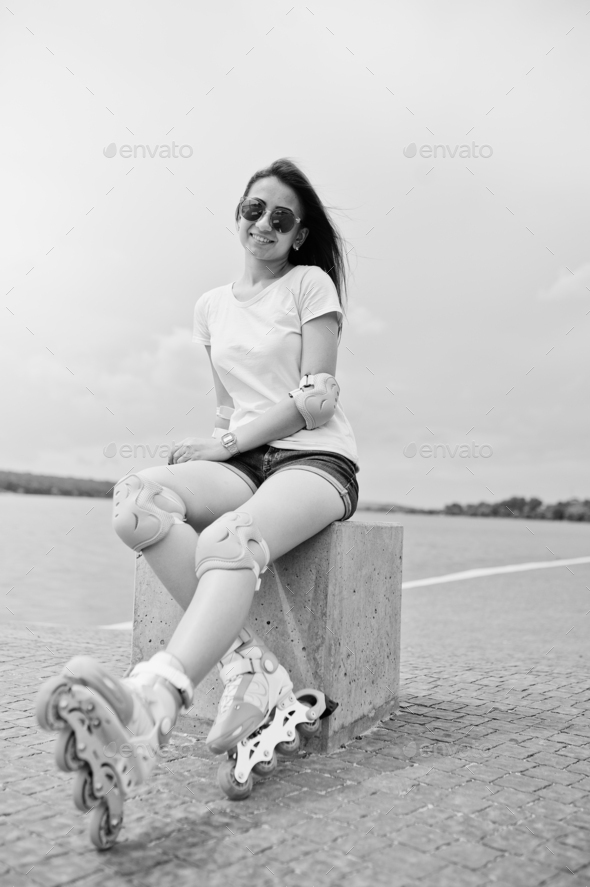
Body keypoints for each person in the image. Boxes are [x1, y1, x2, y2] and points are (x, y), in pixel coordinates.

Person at [35, 157, 360, 849]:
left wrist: (232, 440)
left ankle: (156, 702)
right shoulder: (210, 306)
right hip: (243, 459)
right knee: (136, 503)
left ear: (300, 233)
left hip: (315, 458)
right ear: (236, 214)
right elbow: (227, 406)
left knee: (228, 542)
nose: (264, 225)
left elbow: (317, 398)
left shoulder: (310, 284)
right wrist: (221, 443)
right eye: (253, 210)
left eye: (281, 218)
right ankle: (250, 663)